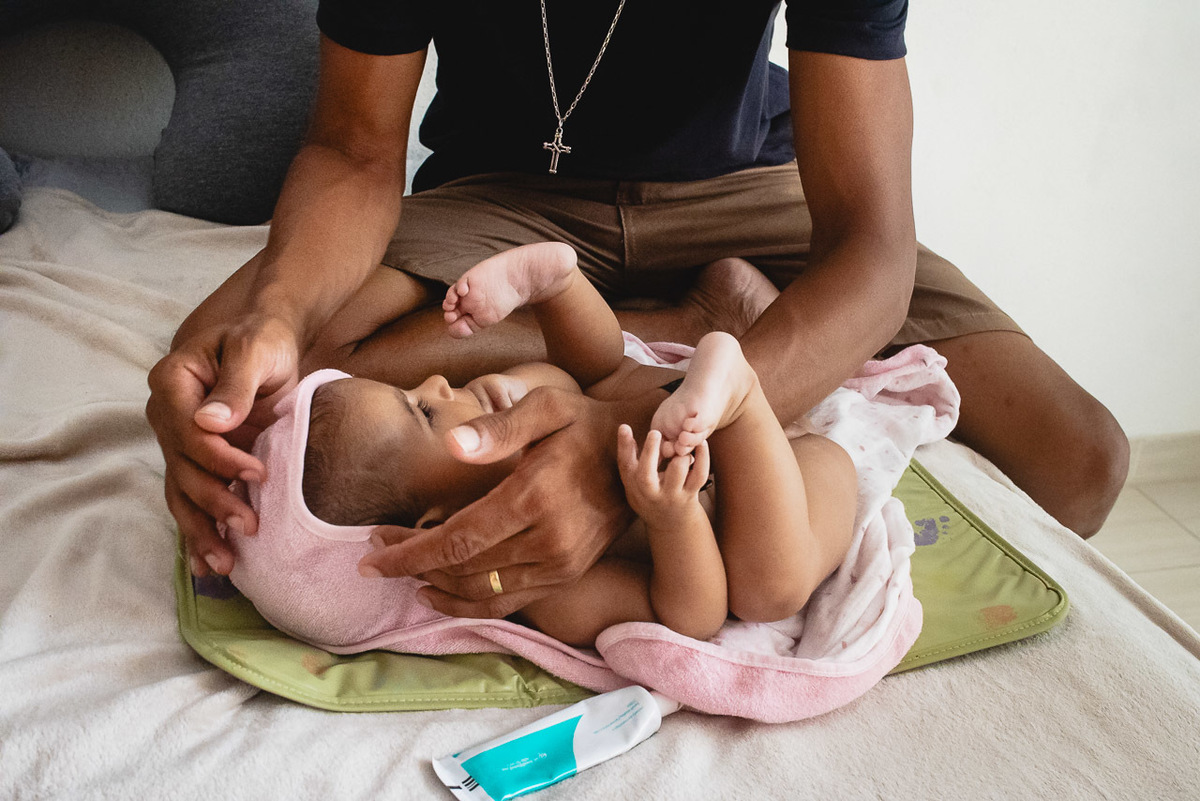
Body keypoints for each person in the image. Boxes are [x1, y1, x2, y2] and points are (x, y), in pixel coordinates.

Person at [146, 2, 1128, 621]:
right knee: (254, 373)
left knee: (1080, 456)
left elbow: (871, 246)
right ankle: (674, 319)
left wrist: (625, 437)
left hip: (752, 187)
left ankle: (655, 332)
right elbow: (356, 151)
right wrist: (267, 317)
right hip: (502, 199)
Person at [280, 243, 854, 644]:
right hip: (791, 474)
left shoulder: (496, 403)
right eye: (425, 411)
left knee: (598, 376)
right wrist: (672, 520)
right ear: (439, 525)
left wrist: (528, 385)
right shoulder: (547, 592)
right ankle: (738, 390)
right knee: (767, 591)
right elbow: (695, 616)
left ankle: (558, 284)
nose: (435, 381)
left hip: (671, 405)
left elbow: (585, 380)